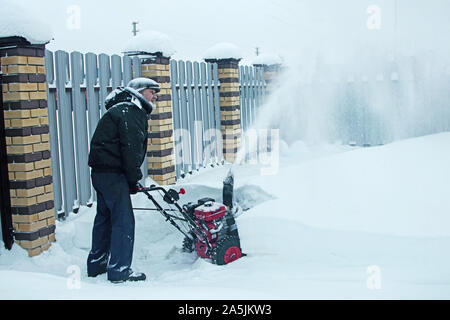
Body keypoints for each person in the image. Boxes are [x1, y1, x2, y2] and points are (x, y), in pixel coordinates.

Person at [87, 77, 159, 283]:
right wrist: (133, 177)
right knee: (123, 221)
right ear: (139, 91)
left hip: (100, 173)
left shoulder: (118, 109)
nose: (154, 96)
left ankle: (97, 265)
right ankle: (119, 270)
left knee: (104, 218)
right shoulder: (131, 111)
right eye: (151, 91)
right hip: (113, 173)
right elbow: (130, 149)